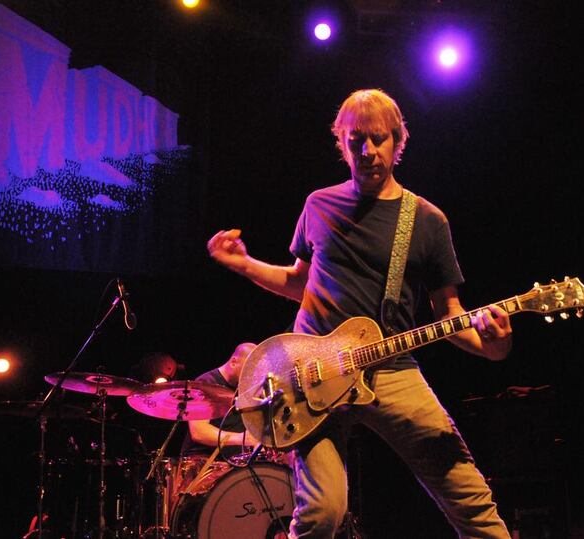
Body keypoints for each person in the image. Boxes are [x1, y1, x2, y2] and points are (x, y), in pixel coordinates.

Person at [207, 89, 513, 538]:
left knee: (469, 496)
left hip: (391, 371)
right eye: (355, 141)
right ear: (342, 143)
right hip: (306, 374)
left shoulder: (427, 221)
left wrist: (494, 345)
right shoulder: (319, 205)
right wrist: (245, 265)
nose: (367, 152)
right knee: (322, 513)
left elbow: (448, 313)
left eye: (377, 139)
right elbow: (299, 283)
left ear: (397, 141)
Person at [180, 341, 259, 457]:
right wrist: (243, 438)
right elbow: (198, 432)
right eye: (249, 369)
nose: (252, 375)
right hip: (203, 462)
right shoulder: (205, 383)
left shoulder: (244, 386)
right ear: (233, 362)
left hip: (234, 462)